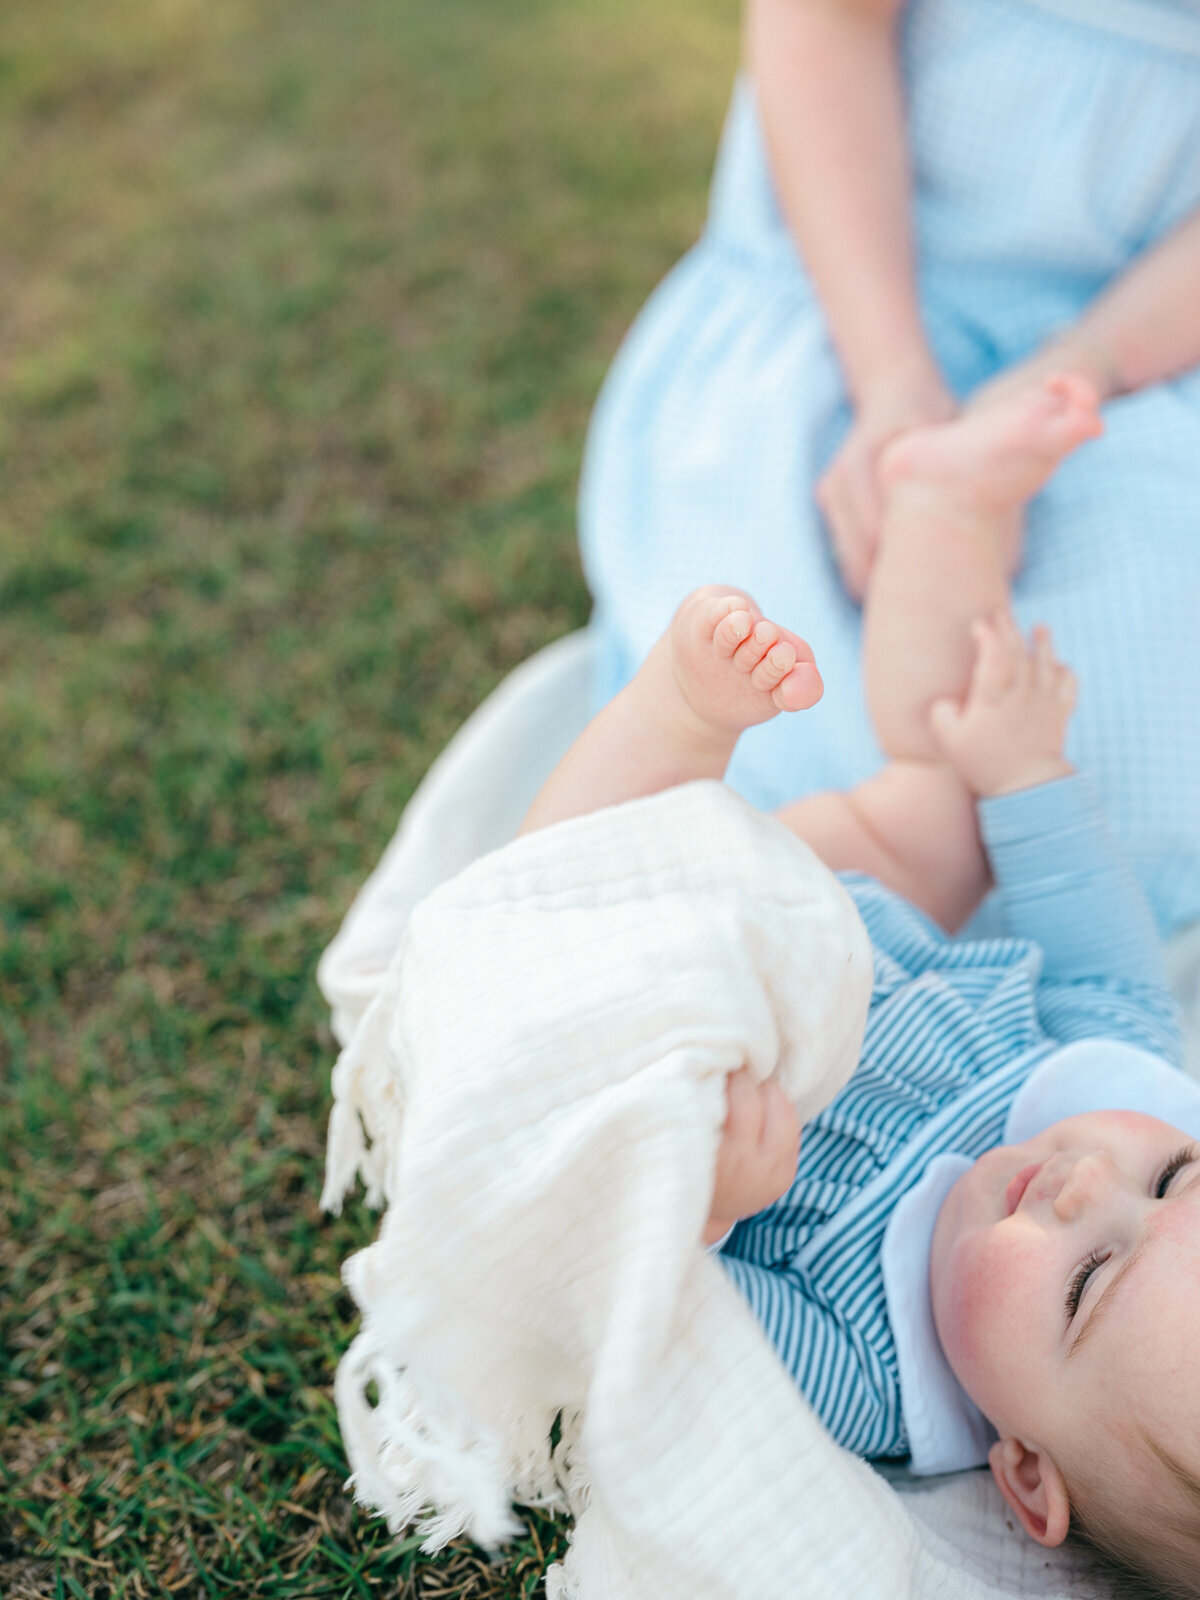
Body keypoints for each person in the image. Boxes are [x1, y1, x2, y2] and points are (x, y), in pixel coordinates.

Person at [524, 378, 1200, 1595]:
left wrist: (707, 1212)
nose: (1093, 1179)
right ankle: (941, 506)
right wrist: (1026, 773)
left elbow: (652, 1328)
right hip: (823, 897)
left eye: (1089, 1277)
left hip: (641, 1003)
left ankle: (672, 718)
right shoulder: (1120, 1083)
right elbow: (1101, 949)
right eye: (1177, 1176)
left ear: (1028, 1472)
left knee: (570, 903)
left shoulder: (863, 1368)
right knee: (945, 797)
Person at [578, 0, 1200, 937]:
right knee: (776, 694)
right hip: (861, 289)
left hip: (1146, 345)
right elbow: (821, 23)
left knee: (1109, 780)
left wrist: (1067, 384)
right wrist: (896, 392)